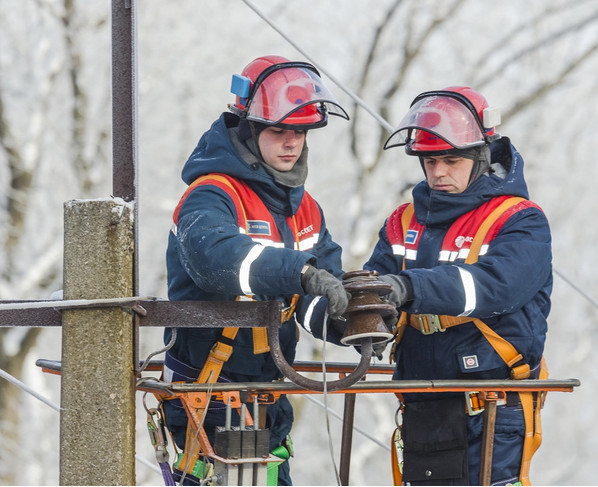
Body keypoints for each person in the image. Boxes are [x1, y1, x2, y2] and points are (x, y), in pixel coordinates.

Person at [162, 55, 352, 485]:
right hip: (207, 395)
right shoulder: (209, 197)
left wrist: (352, 321)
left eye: (300, 133)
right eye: (280, 131)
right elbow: (218, 260)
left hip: (268, 395)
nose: (292, 143)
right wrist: (301, 273)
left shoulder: (305, 209)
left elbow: (314, 300)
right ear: (249, 130)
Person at [364, 86, 552, 485]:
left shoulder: (520, 221)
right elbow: (378, 287)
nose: (438, 173)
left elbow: (496, 287)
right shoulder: (403, 222)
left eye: (451, 160)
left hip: (492, 404)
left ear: (481, 156)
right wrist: (351, 311)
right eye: (429, 161)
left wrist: (408, 287)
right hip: (422, 401)